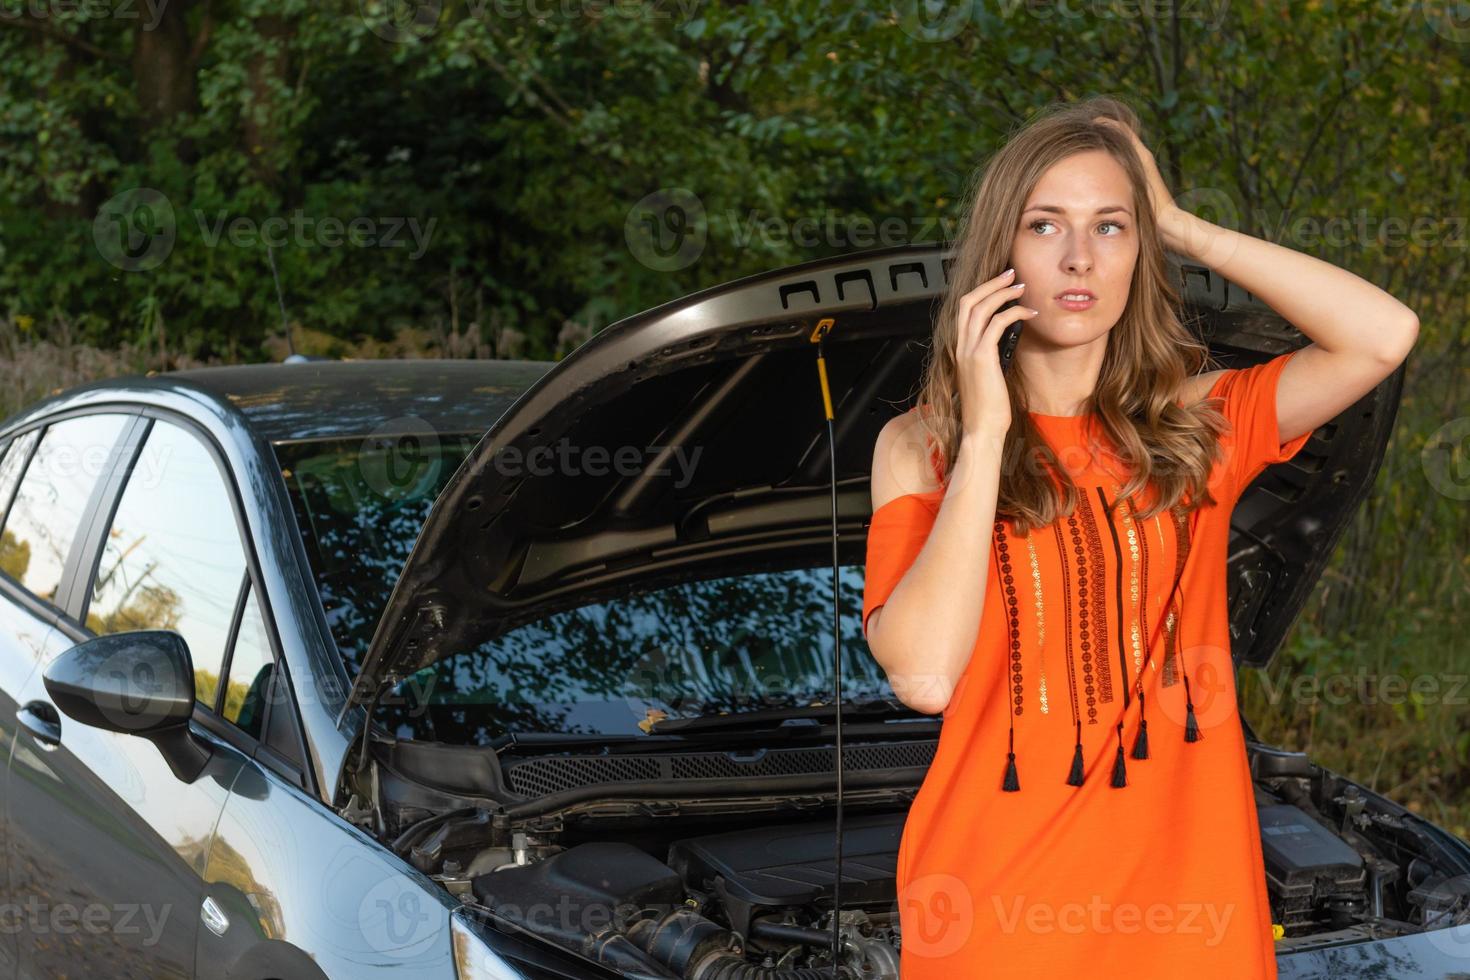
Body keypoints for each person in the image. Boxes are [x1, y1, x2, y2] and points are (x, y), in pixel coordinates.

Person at [861, 95, 1418, 977]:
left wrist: (1183, 225)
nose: (1079, 256)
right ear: (1000, 251)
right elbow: (925, 676)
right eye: (1045, 225)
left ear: (1139, 255)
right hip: (996, 910)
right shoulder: (924, 447)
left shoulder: (1197, 428)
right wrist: (985, 433)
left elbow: (1383, 335)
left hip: (1192, 903)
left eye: (1112, 228)